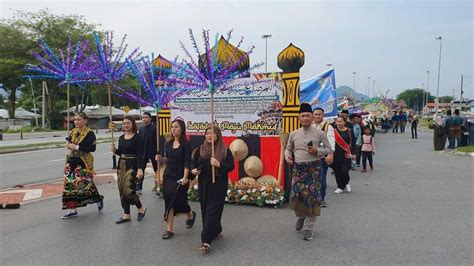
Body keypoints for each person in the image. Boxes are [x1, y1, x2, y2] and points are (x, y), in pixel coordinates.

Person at [285, 103, 333, 241]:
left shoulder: (320, 133)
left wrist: (318, 150)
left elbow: (329, 149)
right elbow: (288, 149)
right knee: (295, 198)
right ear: (299, 118)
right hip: (298, 170)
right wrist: (287, 156)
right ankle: (300, 217)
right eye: (302, 116)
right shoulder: (293, 134)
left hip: (314, 170)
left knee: (312, 200)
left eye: (307, 116)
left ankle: (308, 228)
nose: (305, 118)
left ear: (312, 117)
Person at [191, 125, 235, 253]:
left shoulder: (225, 150)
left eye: (213, 133)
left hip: (218, 184)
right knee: (205, 208)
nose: (210, 136)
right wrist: (194, 170)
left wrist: (218, 164)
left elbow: (231, 166)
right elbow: (194, 162)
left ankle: (206, 241)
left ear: (218, 135)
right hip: (204, 183)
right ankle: (215, 230)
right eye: (207, 133)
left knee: (212, 210)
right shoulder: (200, 150)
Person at [61, 112, 104, 219]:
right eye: (75, 120)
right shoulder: (73, 131)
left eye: (79, 119)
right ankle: (72, 209)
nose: (76, 122)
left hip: (83, 161)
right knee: (69, 185)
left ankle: (97, 198)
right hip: (71, 161)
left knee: (85, 184)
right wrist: (68, 145)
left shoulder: (89, 133)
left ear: (85, 120)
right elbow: (70, 143)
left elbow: (92, 148)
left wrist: (76, 147)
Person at [160, 119, 196, 239]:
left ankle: (190, 214)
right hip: (169, 176)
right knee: (169, 200)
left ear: (182, 129)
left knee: (180, 201)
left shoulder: (186, 144)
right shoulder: (168, 144)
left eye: (176, 127)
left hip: (181, 175)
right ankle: (169, 229)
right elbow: (168, 159)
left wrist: (185, 177)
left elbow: (187, 162)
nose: (173, 129)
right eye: (172, 127)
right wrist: (161, 159)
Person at [112, 116, 147, 224]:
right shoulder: (121, 137)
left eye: (128, 123)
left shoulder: (138, 137)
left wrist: (140, 169)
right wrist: (115, 150)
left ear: (133, 124)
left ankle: (141, 208)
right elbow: (121, 152)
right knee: (121, 190)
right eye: (124, 123)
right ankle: (126, 214)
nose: (126, 125)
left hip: (132, 165)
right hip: (121, 165)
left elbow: (140, 155)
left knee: (129, 190)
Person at [312, 107, 335, 208]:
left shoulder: (327, 126)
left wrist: (330, 154)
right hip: (310, 157)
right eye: (315, 114)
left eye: (319, 114)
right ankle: (312, 197)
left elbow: (331, 141)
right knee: (311, 179)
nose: (317, 116)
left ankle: (321, 199)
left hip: (322, 157)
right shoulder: (310, 126)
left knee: (321, 179)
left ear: (323, 115)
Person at [332, 116, 356, 194]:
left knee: (345, 170)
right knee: (337, 171)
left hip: (346, 153)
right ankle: (340, 187)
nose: (338, 123)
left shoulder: (349, 131)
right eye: (337, 121)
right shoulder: (333, 131)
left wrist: (354, 153)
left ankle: (346, 182)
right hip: (335, 154)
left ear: (344, 122)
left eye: (340, 121)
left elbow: (353, 143)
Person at [137, 112, 158, 194]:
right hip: (143, 153)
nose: (144, 119)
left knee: (157, 170)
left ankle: (158, 185)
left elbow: (157, 142)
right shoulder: (141, 129)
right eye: (143, 117)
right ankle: (139, 187)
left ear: (150, 119)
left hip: (153, 153)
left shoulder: (155, 128)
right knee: (141, 170)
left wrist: (158, 153)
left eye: (146, 117)